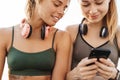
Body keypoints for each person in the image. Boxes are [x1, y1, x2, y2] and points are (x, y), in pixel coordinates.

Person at [0, 0, 72, 80]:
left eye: (64, 8)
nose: (61, 12)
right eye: (56, 4)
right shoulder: (4, 34)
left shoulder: (62, 37)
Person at [66, 0, 120, 80]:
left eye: (99, 3)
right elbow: (59, 76)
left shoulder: (118, 33)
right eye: (85, 4)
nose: (93, 11)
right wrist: (73, 75)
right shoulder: (70, 32)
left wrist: (116, 75)